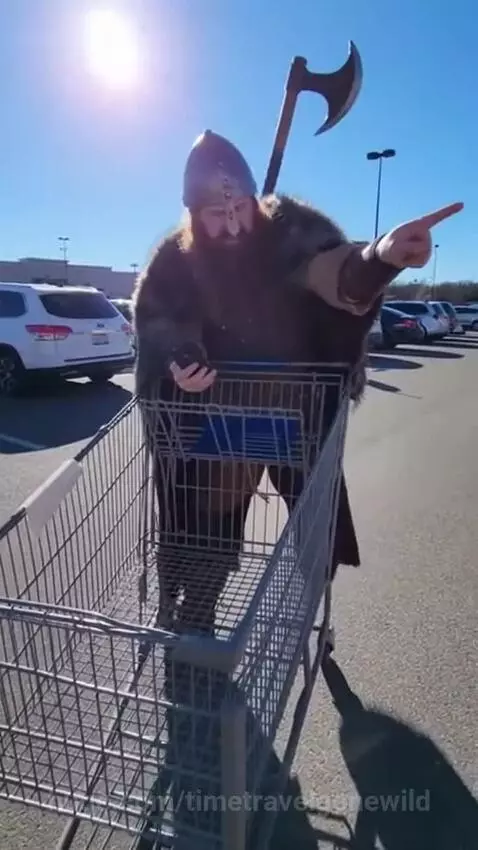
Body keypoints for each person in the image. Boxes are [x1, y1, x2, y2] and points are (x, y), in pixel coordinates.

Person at [132, 129, 462, 637]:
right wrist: (183, 363)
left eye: (239, 208)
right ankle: (196, 614)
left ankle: (314, 607)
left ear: (252, 201)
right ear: (194, 217)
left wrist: (381, 257)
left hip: (296, 412)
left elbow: (338, 274)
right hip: (221, 421)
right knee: (205, 525)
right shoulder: (176, 261)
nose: (232, 224)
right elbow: (162, 321)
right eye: (216, 216)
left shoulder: (290, 232)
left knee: (314, 525)